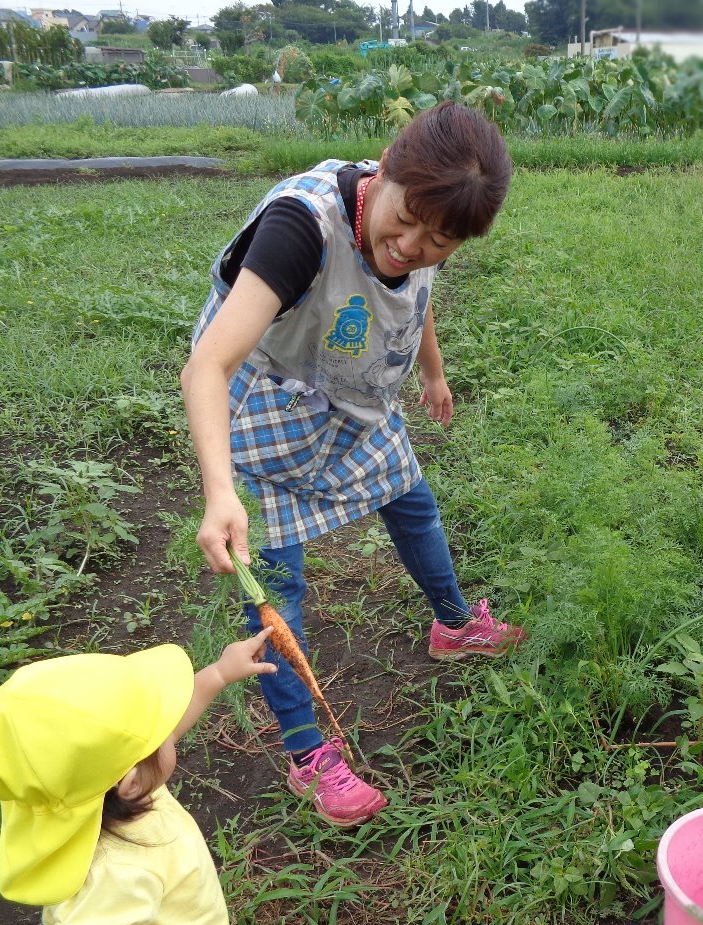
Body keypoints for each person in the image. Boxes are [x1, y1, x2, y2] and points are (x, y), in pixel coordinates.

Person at [180, 103, 525, 827]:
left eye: (440, 241)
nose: (411, 245)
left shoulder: (417, 234)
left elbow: (413, 295)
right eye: (405, 221)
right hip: (266, 414)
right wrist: (219, 492)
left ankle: (454, 626)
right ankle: (310, 754)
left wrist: (433, 372)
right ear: (386, 165)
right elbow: (207, 364)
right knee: (280, 584)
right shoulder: (300, 229)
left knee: (412, 502)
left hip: (354, 395)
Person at [0, 631, 302, 925]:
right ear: (131, 779)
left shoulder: (96, 792)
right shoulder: (109, 872)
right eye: (158, 735)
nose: (169, 734)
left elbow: (153, 740)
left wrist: (219, 674)